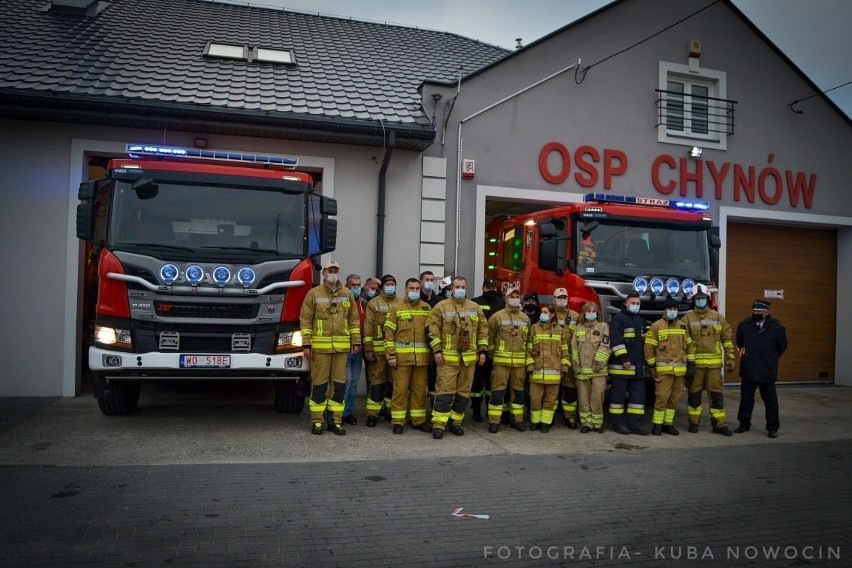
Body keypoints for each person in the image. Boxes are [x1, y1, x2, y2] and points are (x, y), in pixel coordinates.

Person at [299, 259, 361, 435]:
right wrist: (306, 344)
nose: (333, 273)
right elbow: (305, 320)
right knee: (319, 385)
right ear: (324, 273)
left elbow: (354, 320)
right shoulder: (314, 294)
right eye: (329, 270)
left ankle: (335, 421)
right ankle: (318, 421)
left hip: (341, 350)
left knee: (339, 386)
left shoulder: (347, 294)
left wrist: (356, 341)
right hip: (320, 350)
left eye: (335, 270)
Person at [427, 276, 489, 439]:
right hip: (447, 359)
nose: (460, 289)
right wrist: (437, 350)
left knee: (463, 393)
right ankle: (439, 424)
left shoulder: (475, 307)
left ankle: (455, 422)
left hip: (469, 360)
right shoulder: (441, 307)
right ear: (452, 288)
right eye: (457, 286)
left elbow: (483, 330)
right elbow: (433, 330)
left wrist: (482, 351)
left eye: (463, 286)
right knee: (444, 392)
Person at [682, 284, 736, 436]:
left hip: (713, 367)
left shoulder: (718, 318)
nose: (700, 301)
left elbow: (727, 339)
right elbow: (683, 341)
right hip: (696, 367)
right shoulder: (687, 318)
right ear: (693, 300)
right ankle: (693, 422)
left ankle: (720, 424)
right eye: (697, 299)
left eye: (702, 298)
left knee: (716, 395)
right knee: (694, 395)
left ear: (707, 299)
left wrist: (730, 357)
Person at [384, 278, 434, 434]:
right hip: (401, 360)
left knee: (419, 391)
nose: (414, 291)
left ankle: (418, 420)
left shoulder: (427, 308)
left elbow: (432, 333)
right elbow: (389, 334)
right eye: (411, 288)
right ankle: (398, 421)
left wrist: (433, 354)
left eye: (417, 288)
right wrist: (390, 355)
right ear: (405, 289)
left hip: (421, 359)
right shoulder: (396, 308)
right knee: (400, 390)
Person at [735, 299, 788, 438]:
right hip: (749, 369)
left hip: (767, 370)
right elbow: (739, 343)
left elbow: (782, 347)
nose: (756, 313)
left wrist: (770, 359)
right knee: (746, 399)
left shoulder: (776, 327)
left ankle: (772, 428)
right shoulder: (745, 325)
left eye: (759, 312)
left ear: (766, 312)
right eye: (754, 311)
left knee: (770, 401)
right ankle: (744, 424)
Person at [644, 298, 694, 436]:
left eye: (675, 309)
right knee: (661, 398)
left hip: (680, 372)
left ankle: (668, 424)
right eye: (670, 309)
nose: (673, 311)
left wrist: (691, 365)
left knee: (674, 399)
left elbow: (689, 347)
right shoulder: (656, 326)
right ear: (665, 310)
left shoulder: (683, 326)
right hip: (663, 371)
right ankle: (657, 425)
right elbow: (649, 347)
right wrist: (652, 366)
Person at [485, 286, 530, 433]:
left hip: (519, 364)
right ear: (506, 298)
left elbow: (529, 341)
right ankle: (494, 421)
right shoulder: (497, 317)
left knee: (518, 394)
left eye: (517, 297)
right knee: (498, 393)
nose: (515, 299)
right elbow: (489, 338)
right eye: (512, 296)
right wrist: (493, 357)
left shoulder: (525, 319)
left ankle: (517, 420)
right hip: (501, 363)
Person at [607, 292, 651, 435]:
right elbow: (616, 341)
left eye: (638, 304)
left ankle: (635, 424)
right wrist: (624, 359)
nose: (635, 306)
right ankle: (617, 424)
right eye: (633, 303)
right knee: (617, 398)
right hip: (622, 368)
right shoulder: (617, 320)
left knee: (638, 399)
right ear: (626, 303)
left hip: (637, 368)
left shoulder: (640, 321)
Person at [363, 274, 398, 427]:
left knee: (392, 383)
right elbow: (368, 327)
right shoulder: (373, 303)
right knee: (376, 384)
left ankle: (389, 411)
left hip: (394, 352)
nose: (390, 286)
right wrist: (368, 349)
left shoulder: (401, 303)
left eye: (392, 284)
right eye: (388, 284)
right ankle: (373, 414)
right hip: (377, 352)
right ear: (382, 286)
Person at [527, 304, 568, 433]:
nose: (542, 314)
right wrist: (530, 366)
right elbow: (528, 350)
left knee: (550, 401)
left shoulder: (560, 330)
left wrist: (564, 367)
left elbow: (565, 352)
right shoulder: (534, 328)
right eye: (542, 312)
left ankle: (545, 423)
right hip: (537, 372)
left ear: (552, 315)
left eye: (545, 312)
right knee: (535, 400)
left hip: (554, 373)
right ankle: (535, 422)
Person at [571, 301, 611, 433]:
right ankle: (586, 423)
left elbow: (605, 346)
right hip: (581, 371)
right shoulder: (579, 327)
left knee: (597, 396)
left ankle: (597, 423)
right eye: (588, 311)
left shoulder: (603, 326)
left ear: (597, 313)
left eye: (594, 311)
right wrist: (576, 365)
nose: (591, 314)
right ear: (583, 313)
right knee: (583, 398)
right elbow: (574, 347)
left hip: (598, 371)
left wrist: (599, 364)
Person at [470, 278, 505, 422]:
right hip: (480, 348)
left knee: (492, 384)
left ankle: (490, 410)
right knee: (477, 382)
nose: (491, 289)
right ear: (483, 288)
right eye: (488, 287)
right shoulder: (475, 302)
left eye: (493, 287)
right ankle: (476, 410)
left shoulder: (502, 303)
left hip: (497, 351)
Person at [553, 287, 579, 428]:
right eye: (559, 298)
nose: (562, 300)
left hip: (568, 358)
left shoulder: (575, 316)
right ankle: (549, 417)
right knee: (551, 389)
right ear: (554, 299)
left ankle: (570, 417)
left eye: (564, 298)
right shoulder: (549, 314)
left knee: (570, 389)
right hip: (552, 358)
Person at [342, 273, 366, 425]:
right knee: (346, 382)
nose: (356, 288)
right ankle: (340, 412)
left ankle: (349, 412)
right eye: (353, 285)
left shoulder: (363, 303)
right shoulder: (342, 301)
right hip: (345, 347)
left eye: (358, 285)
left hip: (359, 349)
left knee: (354, 383)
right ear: (347, 285)